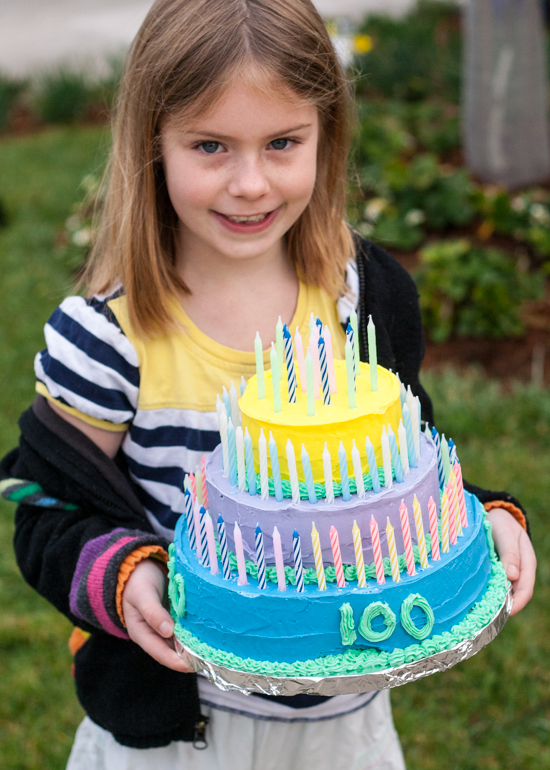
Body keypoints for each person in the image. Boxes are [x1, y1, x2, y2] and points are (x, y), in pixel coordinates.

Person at [0, 1, 536, 768]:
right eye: (211, 146)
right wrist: (123, 580)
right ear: (152, 144)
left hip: (343, 729)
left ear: (327, 135)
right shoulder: (111, 342)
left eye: (283, 143)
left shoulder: (365, 296)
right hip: (175, 728)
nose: (250, 183)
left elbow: (402, 474)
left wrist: (483, 517)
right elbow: (45, 509)